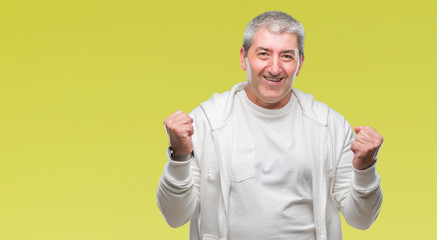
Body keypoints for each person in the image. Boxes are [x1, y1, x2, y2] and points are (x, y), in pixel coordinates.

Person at [157, 11, 383, 240]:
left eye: (286, 56)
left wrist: (365, 169)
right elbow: (175, 216)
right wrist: (179, 157)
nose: (274, 68)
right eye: (263, 54)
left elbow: (361, 220)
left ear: (300, 63)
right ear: (244, 58)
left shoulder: (329, 126)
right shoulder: (206, 122)